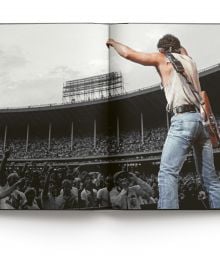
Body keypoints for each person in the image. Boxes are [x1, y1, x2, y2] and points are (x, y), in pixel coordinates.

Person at [107, 34, 220, 209]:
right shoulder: (189, 60)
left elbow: (129, 54)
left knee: (167, 173)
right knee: (211, 180)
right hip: (199, 122)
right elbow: (182, 50)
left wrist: (113, 43)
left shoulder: (162, 58)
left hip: (182, 120)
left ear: (162, 50)